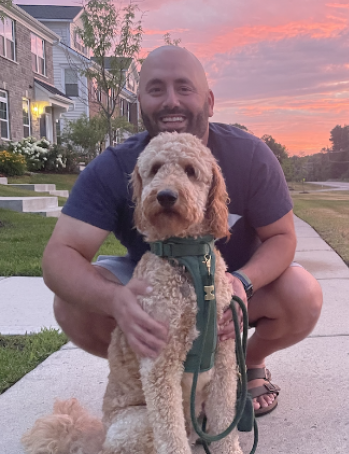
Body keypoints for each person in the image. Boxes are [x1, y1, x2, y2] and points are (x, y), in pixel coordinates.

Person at [42, 45, 323, 416]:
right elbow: (59, 256)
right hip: (154, 286)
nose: (171, 101)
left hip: (228, 287)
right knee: (72, 305)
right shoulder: (114, 165)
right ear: (139, 100)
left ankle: (247, 363)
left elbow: (283, 238)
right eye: (156, 89)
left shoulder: (250, 156)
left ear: (208, 101)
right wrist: (115, 299)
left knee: (303, 293)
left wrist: (242, 283)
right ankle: (158, 375)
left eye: (184, 88)